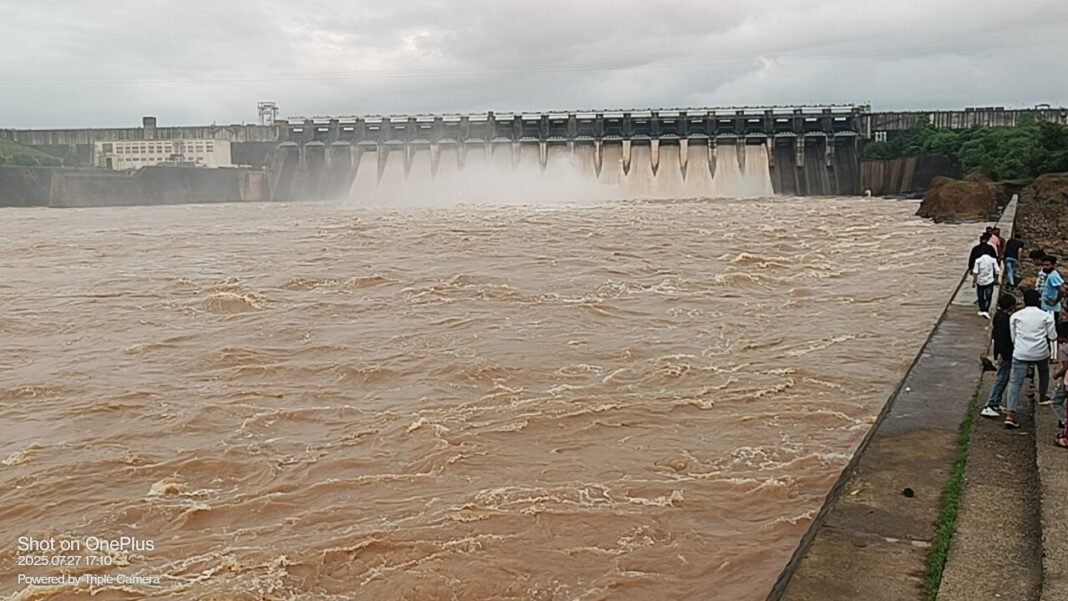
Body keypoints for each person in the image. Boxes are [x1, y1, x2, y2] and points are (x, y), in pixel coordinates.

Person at [1005, 289, 1057, 428]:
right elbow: (1052, 336)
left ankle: (1010, 414)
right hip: (1040, 351)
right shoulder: (1046, 316)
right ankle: (1043, 396)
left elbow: (1013, 337)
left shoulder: (1016, 316)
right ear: (1039, 300)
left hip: (1021, 351)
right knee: (1044, 372)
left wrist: (1020, 346)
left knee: (1015, 383)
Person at [981, 294, 1018, 418]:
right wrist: (1001, 353)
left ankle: (995, 402)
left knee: (1004, 378)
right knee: (1001, 378)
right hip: (1005, 353)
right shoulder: (1004, 319)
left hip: (1004, 351)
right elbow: (1001, 338)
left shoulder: (999, 316)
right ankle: (990, 404)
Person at [1050, 322, 1068, 439]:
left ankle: (1064, 421)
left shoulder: (1063, 348)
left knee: (1056, 401)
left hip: (1066, 380)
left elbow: (1066, 367)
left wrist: (1056, 374)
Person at [972, 246, 1000, 318]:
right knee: (988, 296)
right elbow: (997, 271)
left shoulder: (978, 260)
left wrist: (974, 282)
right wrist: (996, 280)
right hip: (990, 281)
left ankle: (982, 309)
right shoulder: (993, 260)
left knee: (980, 296)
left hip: (980, 281)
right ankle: (986, 310)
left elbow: (975, 272)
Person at [1041, 255, 1064, 323]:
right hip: (1047, 308)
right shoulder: (1050, 274)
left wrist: (1055, 301)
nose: (1045, 267)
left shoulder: (1053, 275)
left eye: (1047, 265)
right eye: (1044, 265)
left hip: (1051, 309)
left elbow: (1062, 290)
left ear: (1053, 265)